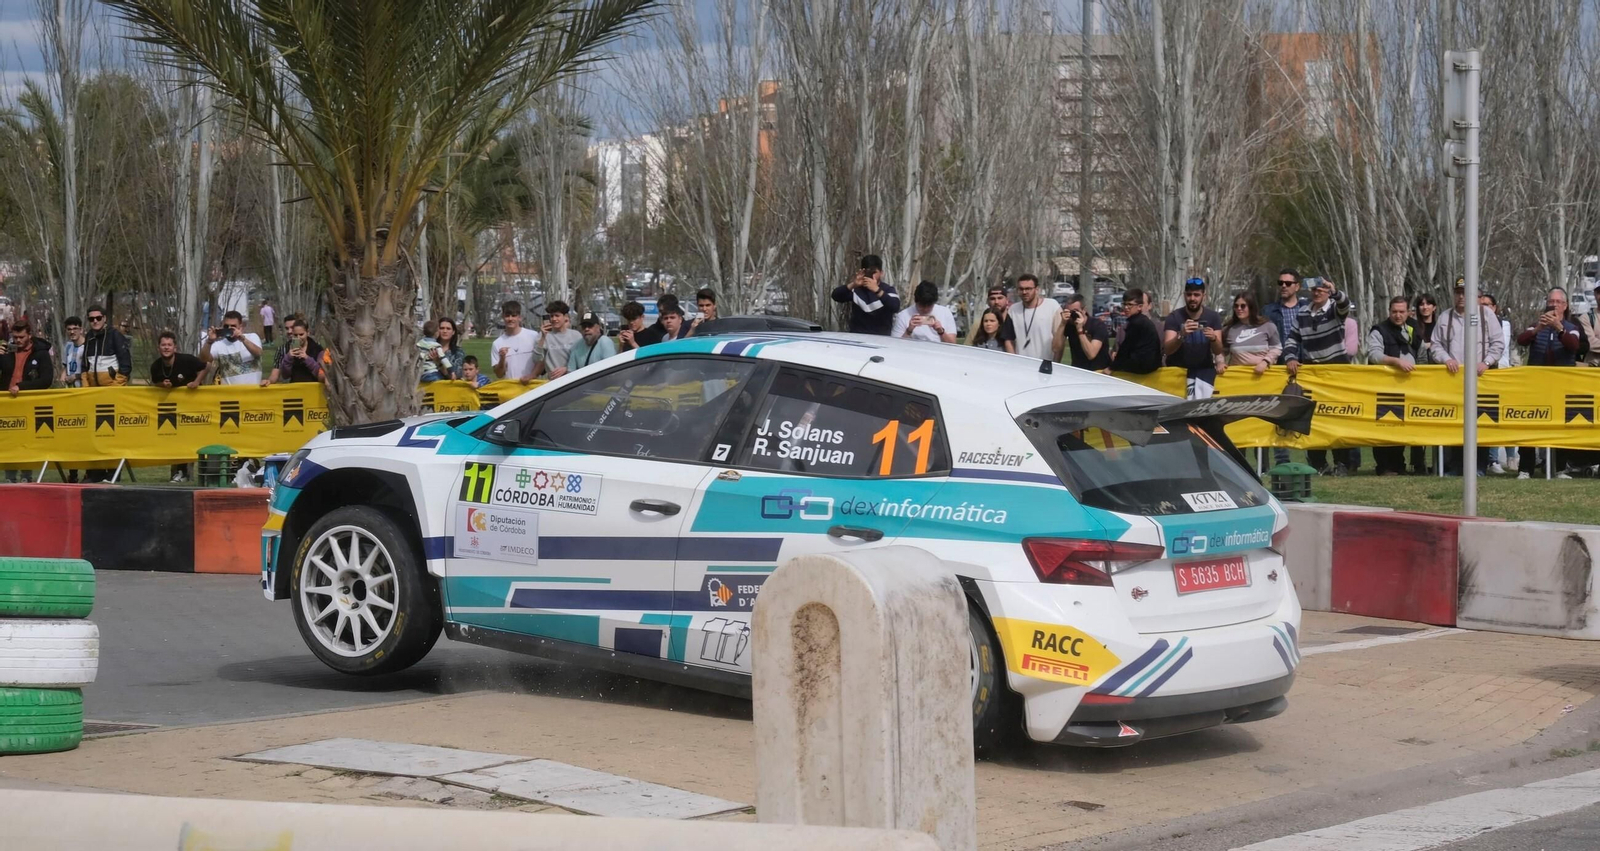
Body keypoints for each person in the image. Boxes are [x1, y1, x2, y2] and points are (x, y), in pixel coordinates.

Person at [1430, 279, 1505, 477]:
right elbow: (1435, 345)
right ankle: (1456, 467)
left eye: (1465, 292)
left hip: (1481, 379)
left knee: (1480, 423)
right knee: (1457, 424)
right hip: (1454, 380)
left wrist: (1486, 362)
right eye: (1458, 292)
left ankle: (1479, 467)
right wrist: (1446, 359)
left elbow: (1498, 343)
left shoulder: (1486, 314)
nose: (1461, 296)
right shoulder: (1445, 317)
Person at [1285, 278, 1358, 475]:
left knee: (1338, 418)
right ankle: (1318, 464)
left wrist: (1335, 291)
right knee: (1313, 419)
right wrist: (1290, 357)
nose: (1317, 293)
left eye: (1321, 290)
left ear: (1327, 292)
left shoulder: (1334, 309)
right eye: (1314, 290)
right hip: (1313, 373)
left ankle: (1342, 463)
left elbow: (1344, 304)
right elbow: (1292, 339)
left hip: (1336, 371)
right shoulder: (1302, 313)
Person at [1515, 288, 1583, 479]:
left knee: (1561, 425)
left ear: (1565, 305)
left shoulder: (1572, 327)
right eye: (1551, 301)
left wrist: (1559, 328)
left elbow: (1574, 346)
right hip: (1535, 385)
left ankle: (1560, 468)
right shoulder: (1535, 325)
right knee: (1529, 424)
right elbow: (1521, 340)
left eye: (1558, 302)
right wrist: (1539, 329)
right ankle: (1525, 468)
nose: (1553, 305)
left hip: (1561, 386)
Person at [1366, 296, 1418, 476]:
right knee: (1383, 428)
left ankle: (1399, 465)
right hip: (1383, 389)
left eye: (1402, 311)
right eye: (1394, 311)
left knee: (1401, 429)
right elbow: (1374, 355)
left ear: (1408, 312)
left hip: (1406, 388)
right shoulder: (1379, 330)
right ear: (1389, 312)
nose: (1398, 315)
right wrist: (1396, 362)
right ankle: (1384, 466)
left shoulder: (1412, 329)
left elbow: (1420, 353)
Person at [1, 320, 51, 484]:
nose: (18, 341)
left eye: (21, 337)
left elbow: (46, 380)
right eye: (15, 337)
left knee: (25, 441)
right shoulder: (8, 351)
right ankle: (10, 476)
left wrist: (22, 387)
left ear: (29, 335)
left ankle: (26, 475)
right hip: (8, 403)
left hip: (28, 402)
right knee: (9, 440)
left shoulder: (41, 353)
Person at [1162, 277, 1225, 398]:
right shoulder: (1174, 317)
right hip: (1177, 374)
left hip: (1204, 373)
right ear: (1184, 295)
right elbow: (1167, 350)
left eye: (1196, 295)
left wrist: (1213, 339)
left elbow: (1218, 350)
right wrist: (1181, 335)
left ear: (1204, 296)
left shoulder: (1213, 317)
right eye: (1189, 294)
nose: (1192, 298)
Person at [1407, 293, 1441, 474]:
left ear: (1434, 307)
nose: (1425, 307)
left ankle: (1440, 463)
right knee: (1416, 420)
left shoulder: (1440, 325)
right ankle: (1418, 463)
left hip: (1438, 378)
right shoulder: (1412, 325)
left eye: (1428, 304)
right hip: (1417, 378)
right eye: (1421, 304)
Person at [830, 253, 900, 334]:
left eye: (874, 272)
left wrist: (877, 290)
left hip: (881, 337)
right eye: (867, 272)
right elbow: (836, 296)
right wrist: (853, 284)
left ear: (881, 273)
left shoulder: (888, 290)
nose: (870, 275)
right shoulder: (856, 290)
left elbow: (895, 306)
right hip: (857, 336)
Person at [1222, 291, 1282, 376]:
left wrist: (1265, 362)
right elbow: (1221, 352)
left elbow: (1277, 348)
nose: (1239, 309)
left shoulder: (1268, 326)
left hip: (1263, 375)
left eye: (1243, 306)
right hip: (1238, 376)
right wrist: (1220, 362)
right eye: (1236, 306)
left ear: (1251, 307)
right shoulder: (1229, 329)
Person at [198, 310, 263, 385]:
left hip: (252, 390)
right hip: (229, 391)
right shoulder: (219, 345)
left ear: (240, 327)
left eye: (233, 326)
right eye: (226, 326)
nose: (229, 328)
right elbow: (204, 360)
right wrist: (209, 341)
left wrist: (242, 339)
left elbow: (258, 353)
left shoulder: (252, 337)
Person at [1007, 273, 1063, 360]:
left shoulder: (1052, 306)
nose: (1024, 292)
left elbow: (1060, 339)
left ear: (1037, 289)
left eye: (1028, 289)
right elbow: (1008, 340)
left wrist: (1055, 363)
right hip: (1021, 364)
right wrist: (1013, 361)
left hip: (1045, 362)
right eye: (1021, 289)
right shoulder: (1013, 310)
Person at [1110, 288, 1162, 374]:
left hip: (1144, 367)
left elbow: (1126, 347)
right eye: (1124, 304)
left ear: (1139, 307)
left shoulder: (1138, 323)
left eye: (1130, 305)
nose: (1126, 308)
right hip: (1147, 366)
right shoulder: (1139, 321)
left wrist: (1112, 368)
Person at [262, 319, 326, 385]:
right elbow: (285, 375)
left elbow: (321, 373)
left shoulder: (317, 348)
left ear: (307, 333)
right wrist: (288, 358)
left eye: (301, 334)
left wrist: (307, 358)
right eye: (295, 335)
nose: (298, 338)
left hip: (313, 387)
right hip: (295, 386)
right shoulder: (286, 349)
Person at [491, 300, 540, 384]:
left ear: (519, 317)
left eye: (514, 316)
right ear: (503, 317)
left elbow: (541, 362)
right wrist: (502, 358)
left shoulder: (533, 336)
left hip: (532, 386)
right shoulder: (497, 343)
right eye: (507, 316)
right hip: (512, 388)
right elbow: (499, 374)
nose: (510, 319)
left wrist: (531, 376)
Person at [892, 281, 957, 343]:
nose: (925, 309)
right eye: (922, 306)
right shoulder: (903, 316)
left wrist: (941, 332)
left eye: (929, 306)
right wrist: (908, 331)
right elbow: (896, 345)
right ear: (916, 301)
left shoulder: (945, 313)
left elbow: (952, 344)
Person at [1264, 268, 1308, 358]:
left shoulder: (1308, 309)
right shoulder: (1268, 311)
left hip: (1305, 361)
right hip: (1280, 362)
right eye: (1280, 283)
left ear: (1297, 287)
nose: (1283, 286)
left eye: (1288, 283)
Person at [1061, 293, 1111, 371]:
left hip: (1098, 371)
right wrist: (1062, 323)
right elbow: (1055, 348)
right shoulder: (1069, 325)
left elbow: (1091, 354)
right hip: (1078, 371)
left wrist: (1080, 330)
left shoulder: (1098, 325)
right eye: (1069, 312)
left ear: (1084, 310)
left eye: (1075, 311)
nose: (1072, 315)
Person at [534, 301, 583, 378]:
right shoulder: (543, 335)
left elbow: (582, 360)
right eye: (552, 316)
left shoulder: (576, 335)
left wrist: (567, 368)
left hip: (573, 379)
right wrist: (543, 337)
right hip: (553, 381)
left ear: (565, 317)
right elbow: (536, 359)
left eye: (557, 316)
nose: (554, 319)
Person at [58, 316, 84, 388]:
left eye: (75, 329)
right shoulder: (68, 346)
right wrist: (62, 378)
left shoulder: (87, 347)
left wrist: (76, 376)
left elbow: (90, 371)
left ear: (81, 330)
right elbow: (66, 366)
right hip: (70, 388)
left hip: (84, 387)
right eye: (69, 329)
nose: (72, 332)